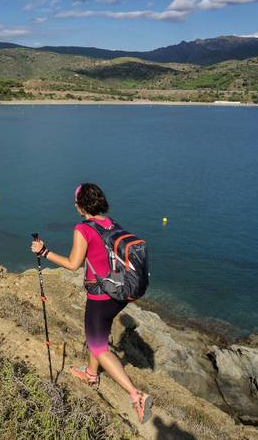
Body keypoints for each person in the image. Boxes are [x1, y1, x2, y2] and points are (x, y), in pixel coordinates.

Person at [30, 182, 153, 424]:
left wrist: (44, 252)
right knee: (100, 333)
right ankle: (91, 374)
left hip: (100, 297)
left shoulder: (82, 228)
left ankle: (136, 395)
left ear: (81, 205)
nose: (74, 204)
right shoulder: (110, 223)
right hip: (119, 294)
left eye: (76, 201)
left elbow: (73, 264)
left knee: (98, 347)